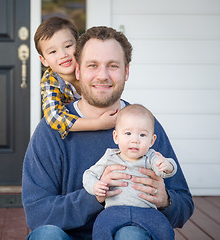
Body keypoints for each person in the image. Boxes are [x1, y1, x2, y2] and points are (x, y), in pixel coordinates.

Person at [22, 26, 194, 240]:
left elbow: (184, 204)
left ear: (126, 71)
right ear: (78, 70)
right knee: (46, 236)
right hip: (67, 236)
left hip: (129, 231)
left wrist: (166, 200)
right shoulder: (52, 131)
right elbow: (37, 214)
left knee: (130, 235)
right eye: (92, 65)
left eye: (112, 66)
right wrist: (97, 193)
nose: (102, 75)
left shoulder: (144, 126)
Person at [83, 104, 178, 239]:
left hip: (147, 210)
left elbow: (165, 170)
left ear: (152, 140)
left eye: (142, 135)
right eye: (128, 133)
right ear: (116, 137)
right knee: (100, 226)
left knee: (165, 229)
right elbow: (89, 174)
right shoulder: (110, 157)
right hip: (114, 210)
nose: (135, 140)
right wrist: (95, 186)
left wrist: (167, 166)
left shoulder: (151, 157)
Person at [35, 17, 116, 139]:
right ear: (44, 60)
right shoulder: (50, 80)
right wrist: (99, 124)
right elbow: (54, 116)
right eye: (52, 52)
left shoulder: (90, 66)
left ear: (79, 45)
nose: (63, 55)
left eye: (68, 46)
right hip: (78, 133)